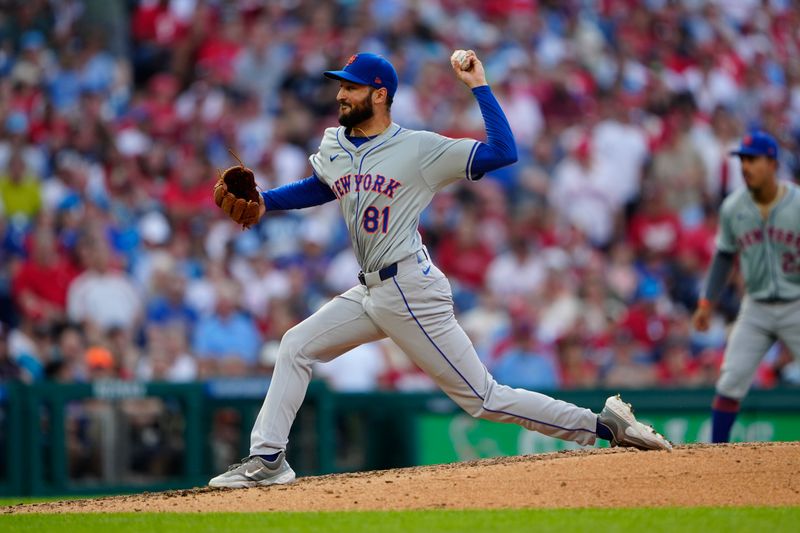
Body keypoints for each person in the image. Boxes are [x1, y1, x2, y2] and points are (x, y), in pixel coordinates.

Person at [208, 51, 671, 488]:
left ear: (379, 94)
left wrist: (480, 86)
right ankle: (268, 459)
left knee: (485, 399)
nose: (340, 95)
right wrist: (267, 201)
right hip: (371, 291)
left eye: (350, 87)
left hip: (409, 288)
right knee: (295, 346)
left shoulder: (419, 149)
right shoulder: (336, 144)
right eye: (340, 87)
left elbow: (503, 152)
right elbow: (322, 186)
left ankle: (603, 426)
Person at [692, 130, 800, 443]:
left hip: (797, 303)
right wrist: (706, 303)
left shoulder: (796, 203)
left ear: (772, 163)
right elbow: (724, 257)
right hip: (756, 307)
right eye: (742, 160)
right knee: (731, 380)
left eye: (752, 159)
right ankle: (716, 458)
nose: (745, 167)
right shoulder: (733, 207)